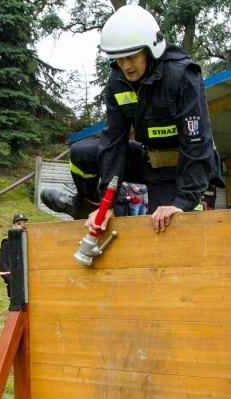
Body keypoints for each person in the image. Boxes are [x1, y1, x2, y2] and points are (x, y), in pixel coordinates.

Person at [39, 4, 219, 234]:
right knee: (81, 153)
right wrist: (107, 204)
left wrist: (182, 203)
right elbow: (113, 142)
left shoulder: (183, 75)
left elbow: (197, 143)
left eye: (131, 57)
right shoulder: (117, 81)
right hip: (147, 162)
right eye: (119, 58)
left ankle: (177, 204)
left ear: (150, 49)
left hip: (181, 172)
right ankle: (87, 207)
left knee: (161, 227)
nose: (125, 65)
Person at [0, 214, 27, 297]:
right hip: (15, 286)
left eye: (24, 223)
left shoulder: (30, 241)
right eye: (19, 224)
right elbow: (4, 267)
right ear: (13, 226)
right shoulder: (7, 242)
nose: (22, 226)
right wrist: (14, 282)